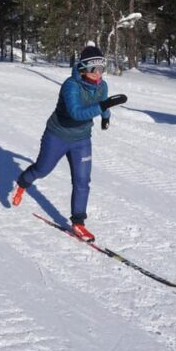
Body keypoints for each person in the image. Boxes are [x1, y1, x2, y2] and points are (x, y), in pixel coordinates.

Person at [11, 45, 126, 242]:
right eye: (93, 69)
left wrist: (106, 117)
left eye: (101, 68)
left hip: (82, 139)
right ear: (83, 68)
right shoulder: (70, 85)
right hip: (57, 135)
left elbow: (102, 102)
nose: (98, 73)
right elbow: (76, 113)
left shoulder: (102, 86)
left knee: (82, 181)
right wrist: (103, 106)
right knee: (42, 170)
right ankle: (22, 182)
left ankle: (78, 223)